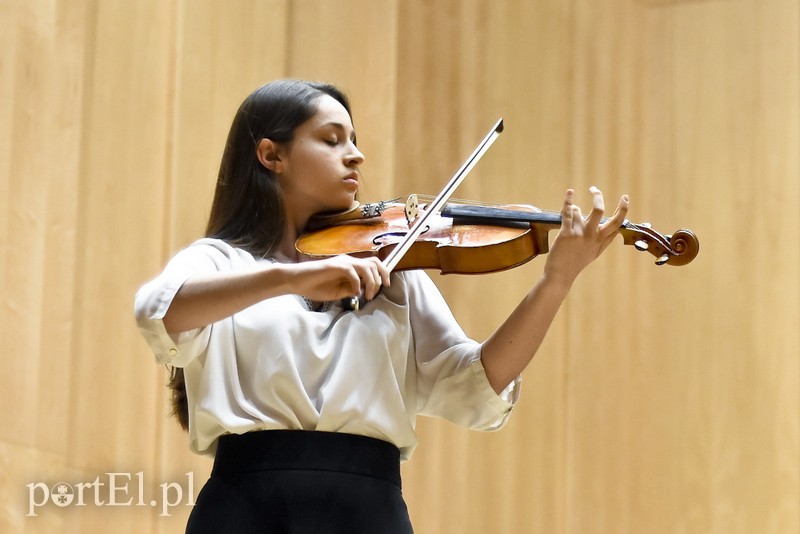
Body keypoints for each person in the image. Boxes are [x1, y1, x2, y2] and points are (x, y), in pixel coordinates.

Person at [134, 79, 629, 533]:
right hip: (246, 507)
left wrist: (557, 279)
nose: (357, 156)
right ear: (271, 154)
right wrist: (292, 277)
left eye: (353, 139)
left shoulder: (392, 272)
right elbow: (161, 312)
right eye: (332, 140)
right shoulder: (222, 262)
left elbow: (476, 385)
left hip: (367, 510)